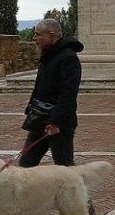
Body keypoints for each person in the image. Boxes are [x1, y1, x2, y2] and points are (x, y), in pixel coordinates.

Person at [21, 17, 81, 168]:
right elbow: (40, 87)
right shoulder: (48, 55)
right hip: (39, 119)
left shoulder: (68, 58)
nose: (34, 39)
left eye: (38, 34)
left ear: (52, 35)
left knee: (64, 167)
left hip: (59, 124)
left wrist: (55, 122)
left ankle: (74, 192)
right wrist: (30, 108)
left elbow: (68, 94)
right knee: (26, 163)